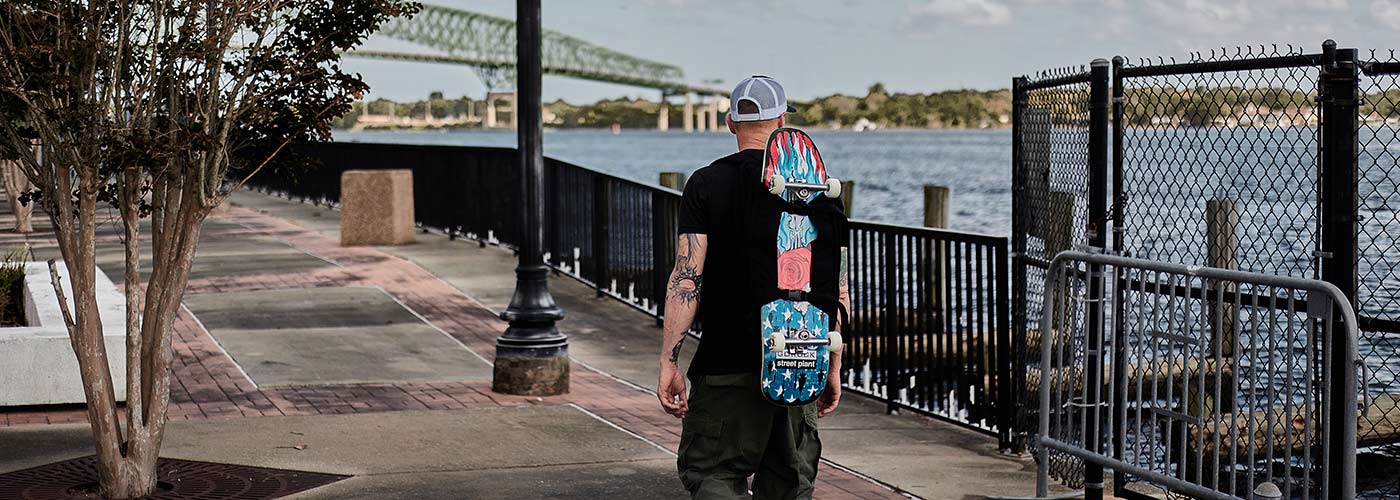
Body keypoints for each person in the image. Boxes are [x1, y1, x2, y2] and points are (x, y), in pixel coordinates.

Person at [656, 75, 850, 500]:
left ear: (730, 123)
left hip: (726, 364)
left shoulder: (706, 184)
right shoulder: (818, 189)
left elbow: (687, 278)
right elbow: (836, 287)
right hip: (798, 357)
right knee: (789, 483)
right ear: (781, 120)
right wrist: (832, 364)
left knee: (713, 476)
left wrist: (669, 359)